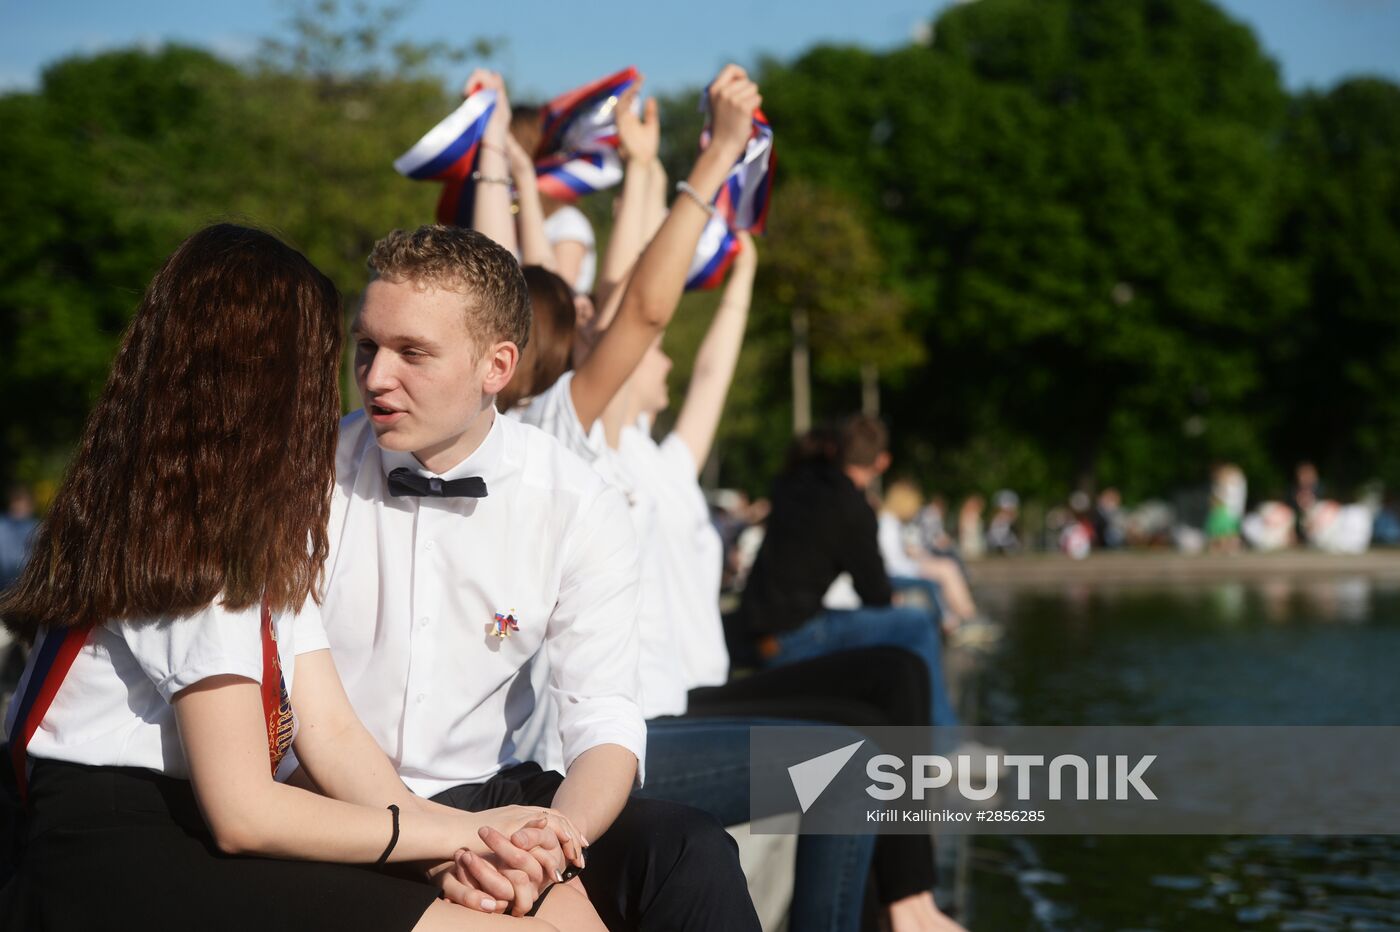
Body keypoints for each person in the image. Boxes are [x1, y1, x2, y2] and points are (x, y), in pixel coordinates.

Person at [0, 224, 594, 931]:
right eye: (340, 354)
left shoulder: (243, 513)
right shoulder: (190, 525)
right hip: (117, 851)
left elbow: (332, 732)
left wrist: (457, 854)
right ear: (270, 377)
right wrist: (460, 834)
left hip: (194, 829)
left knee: (560, 911)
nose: (365, 381)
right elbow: (243, 812)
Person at [324, 223, 759, 930]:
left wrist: (549, 845)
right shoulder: (305, 477)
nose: (375, 377)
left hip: (491, 794)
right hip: (331, 798)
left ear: (496, 367)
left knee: (691, 851)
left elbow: (603, 716)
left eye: (412, 352)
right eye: (366, 346)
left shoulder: (575, 500)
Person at [737, 416, 959, 731]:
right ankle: (944, 743)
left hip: (758, 623)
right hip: (795, 637)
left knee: (917, 598)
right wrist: (892, 599)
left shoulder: (793, 481)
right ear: (882, 462)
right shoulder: (852, 507)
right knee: (917, 624)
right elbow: (875, 594)